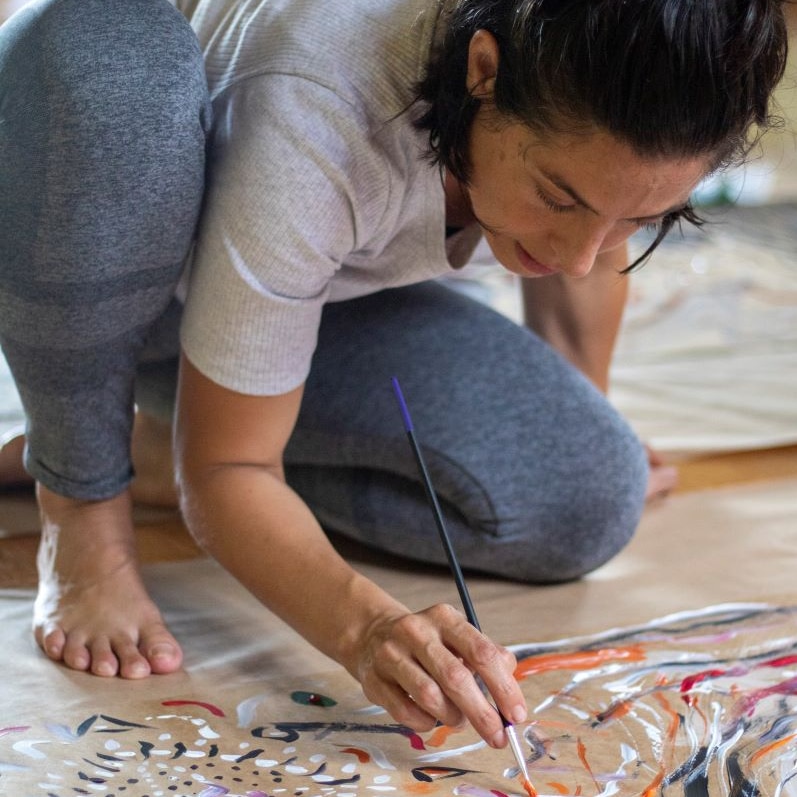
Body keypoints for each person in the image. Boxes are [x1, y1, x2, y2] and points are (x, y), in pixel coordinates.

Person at [0, 0, 787, 748]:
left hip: (328, 281)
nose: (580, 254)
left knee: (587, 494)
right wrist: (366, 627)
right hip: (122, 272)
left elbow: (598, 208)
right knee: (104, 47)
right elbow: (227, 470)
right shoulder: (318, 108)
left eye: (639, 221)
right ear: (483, 71)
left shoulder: (590, 92)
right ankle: (80, 491)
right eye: (555, 195)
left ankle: (149, 445)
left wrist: (590, 408)